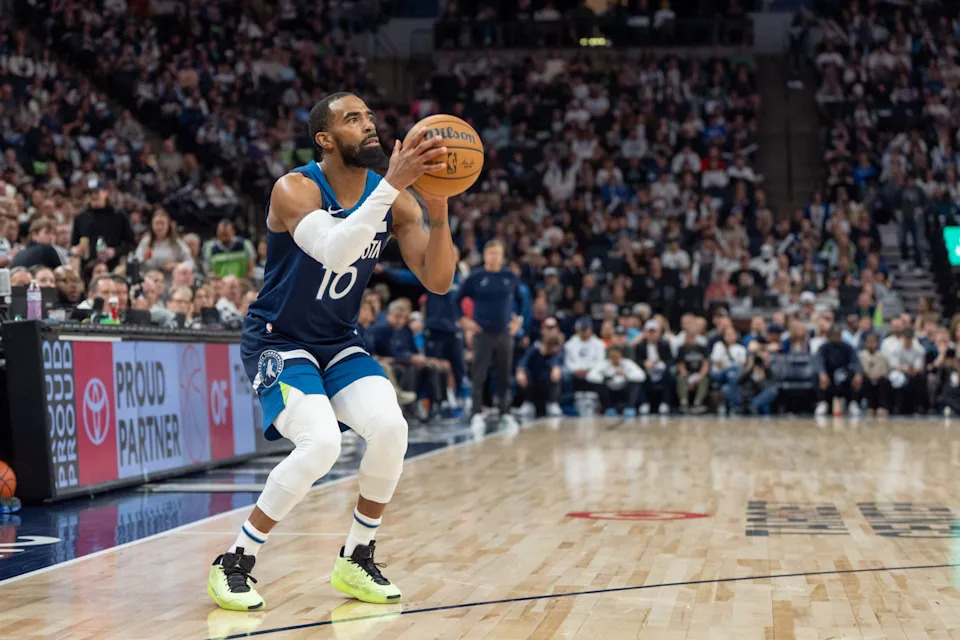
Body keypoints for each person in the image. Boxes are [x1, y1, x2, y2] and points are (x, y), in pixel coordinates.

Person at [208, 93, 454, 611]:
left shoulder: (398, 200)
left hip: (339, 340)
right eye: (352, 119)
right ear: (325, 138)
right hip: (279, 338)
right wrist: (392, 186)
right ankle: (234, 562)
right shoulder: (294, 189)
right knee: (320, 445)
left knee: (391, 429)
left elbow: (437, 279)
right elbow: (338, 251)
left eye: (369, 117)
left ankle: (356, 556)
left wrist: (438, 208)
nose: (369, 126)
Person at [458, 239, 522, 432]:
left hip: (504, 333)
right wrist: (465, 321)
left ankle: (505, 413)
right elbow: (457, 299)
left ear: (502, 256)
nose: (494, 256)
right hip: (482, 333)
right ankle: (476, 414)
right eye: (490, 253)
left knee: (504, 375)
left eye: (497, 253)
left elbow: (521, 300)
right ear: (485, 255)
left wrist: (517, 321)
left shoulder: (509, 276)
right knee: (479, 374)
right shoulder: (476, 277)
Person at [813, 324, 863, 417]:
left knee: (855, 376)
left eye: (838, 334)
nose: (836, 337)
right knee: (817, 375)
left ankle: (853, 403)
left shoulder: (848, 347)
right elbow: (818, 361)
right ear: (828, 336)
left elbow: (856, 362)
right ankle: (822, 402)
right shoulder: (823, 347)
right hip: (828, 375)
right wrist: (822, 373)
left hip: (844, 375)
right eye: (833, 334)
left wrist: (858, 374)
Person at [563, 316, 607, 415]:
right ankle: (568, 403)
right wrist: (575, 370)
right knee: (565, 373)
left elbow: (601, 361)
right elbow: (567, 361)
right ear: (577, 330)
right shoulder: (570, 344)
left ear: (591, 329)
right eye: (581, 330)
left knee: (600, 375)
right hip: (575, 371)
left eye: (586, 330)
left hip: (592, 371)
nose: (584, 332)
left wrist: (588, 370)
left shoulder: (599, 344)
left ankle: (603, 404)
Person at [586, 345, 645, 417]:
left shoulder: (628, 363)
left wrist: (626, 375)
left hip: (624, 391)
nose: (614, 358)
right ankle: (608, 408)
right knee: (599, 385)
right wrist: (606, 378)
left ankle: (630, 407)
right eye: (612, 356)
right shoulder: (603, 364)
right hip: (609, 392)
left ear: (621, 355)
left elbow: (642, 376)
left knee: (635, 384)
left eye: (616, 356)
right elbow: (590, 376)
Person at [516, 334, 564, 417]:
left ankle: (553, 403)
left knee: (558, 375)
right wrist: (520, 372)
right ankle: (528, 402)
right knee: (523, 376)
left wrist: (556, 368)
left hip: (547, 384)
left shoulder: (555, 353)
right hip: (533, 383)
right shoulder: (534, 349)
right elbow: (522, 363)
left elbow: (556, 363)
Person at [135, 208, 190, 276]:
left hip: (171, 281)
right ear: (152, 225)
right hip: (149, 281)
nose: (159, 227)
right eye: (157, 223)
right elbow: (136, 261)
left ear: (168, 225)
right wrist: (143, 258)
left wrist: (176, 265)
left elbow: (190, 263)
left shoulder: (177, 242)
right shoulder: (146, 242)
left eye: (162, 223)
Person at [676, 328, 710, 414]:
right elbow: (681, 365)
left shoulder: (701, 348)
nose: (689, 339)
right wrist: (688, 378)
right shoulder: (681, 349)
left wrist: (699, 377)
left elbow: (705, 364)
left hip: (698, 374)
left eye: (691, 337)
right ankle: (684, 403)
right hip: (687, 374)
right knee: (680, 378)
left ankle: (697, 404)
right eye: (687, 337)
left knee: (704, 379)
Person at [858, 332, 891, 417]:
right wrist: (868, 375)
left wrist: (878, 375)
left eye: (874, 341)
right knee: (864, 381)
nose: (871, 344)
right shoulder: (861, 355)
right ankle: (870, 406)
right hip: (867, 378)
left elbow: (885, 370)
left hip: (879, 378)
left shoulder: (882, 356)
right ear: (865, 343)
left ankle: (882, 406)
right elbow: (860, 369)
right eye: (869, 341)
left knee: (884, 382)